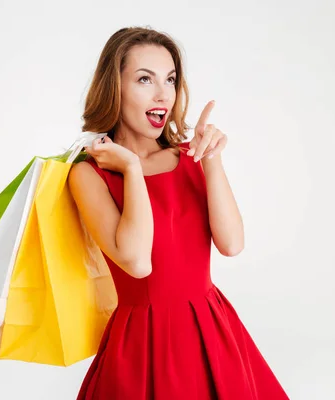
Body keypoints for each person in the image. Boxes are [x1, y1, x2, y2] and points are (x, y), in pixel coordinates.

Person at [68, 26, 289, 400]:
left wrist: (212, 161)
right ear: (114, 88)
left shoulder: (191, 157)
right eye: (144, 79)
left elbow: (232, 244)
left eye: (170, 80)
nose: (163, 94)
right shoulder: (88, 174)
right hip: (141, 343)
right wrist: (132, 170)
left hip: (212, 333)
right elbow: (137, 263)